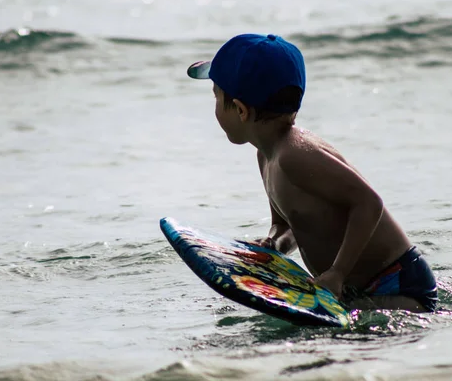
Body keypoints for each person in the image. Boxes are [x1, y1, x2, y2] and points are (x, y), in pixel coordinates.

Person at [186, 33, 437, 312]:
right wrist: (273, 244)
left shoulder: (295, 156)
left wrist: (338, 273)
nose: (215, 106)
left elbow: (368, 203)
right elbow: (290, 225)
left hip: (397, 283)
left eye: (216, 97)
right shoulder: (267, 156)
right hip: (355, 287)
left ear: (241, 110)